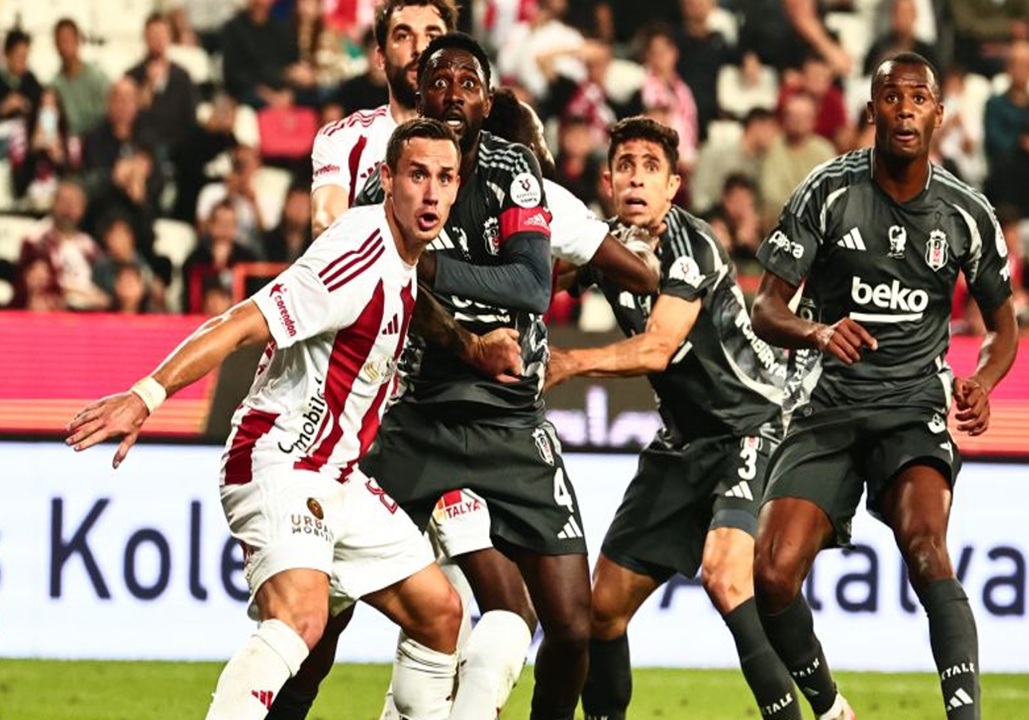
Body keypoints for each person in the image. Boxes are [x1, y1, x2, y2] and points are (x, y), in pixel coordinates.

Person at [273, 33, 659, 720]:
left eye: (468, 83)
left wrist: (424, 263)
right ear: (419, 95)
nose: (453, 93)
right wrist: (456, 321)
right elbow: (387, 288)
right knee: (327, 603)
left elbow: (530, 285)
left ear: (486, 101)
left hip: (512, 420)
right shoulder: (388, 179)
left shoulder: (514, 170)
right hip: (418, 414)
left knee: (572, 627)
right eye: (439, 81)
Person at [65, 117, 467, 720]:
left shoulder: (404, 258)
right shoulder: (355, 254)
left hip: (338, 476)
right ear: (386, 178)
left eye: (445, 178)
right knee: (301, 618)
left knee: (440, 614)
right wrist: (147, 394)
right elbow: (241, 323)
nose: (431, 193)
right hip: (277, 459)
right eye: (416, 175)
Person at [750, 52, 1019, 720]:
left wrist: (983, 380)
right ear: (872, 111)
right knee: (772, 574)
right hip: (829, 405)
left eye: (918, 98)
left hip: (912, 405)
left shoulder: (966, 212)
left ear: (939, 114)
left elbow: (1003, 326)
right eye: (892, 98)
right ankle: (831, 709)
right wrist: (817, 332)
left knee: (926, 547)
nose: (905, 110)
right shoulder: (827, 192)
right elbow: (767, 308)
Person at [542, 116, 798, 720]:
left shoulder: (693, 248)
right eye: (625, 166)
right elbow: (540, 280)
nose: (637, 178)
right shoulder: (605, 244)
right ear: (608, 181)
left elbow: (658, 348)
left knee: (727, 579)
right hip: (683, 443)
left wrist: (569, 362)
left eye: (651, 168)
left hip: (750, 426)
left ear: (673, 185)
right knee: (602, 609)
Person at [309, 0, 456, 237]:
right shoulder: (343, 138)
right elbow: (326, 229)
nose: (419, 48)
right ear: (380, 57)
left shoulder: (481, 145)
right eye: (403, 36)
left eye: (432, 36)